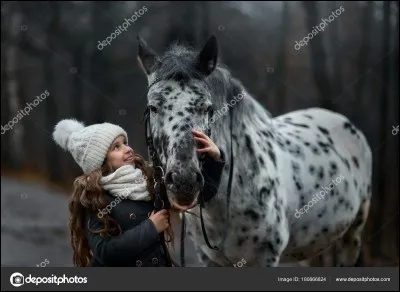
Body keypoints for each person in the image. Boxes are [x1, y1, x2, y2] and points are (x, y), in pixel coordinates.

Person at [52, 119, 226, 267]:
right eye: (116, 147)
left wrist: (214, 159)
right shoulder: (94, 197)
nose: (127, 149)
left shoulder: (148, 180)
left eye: (125, 143)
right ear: (100, 160)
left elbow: (199, 196)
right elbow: (104, 252)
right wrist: (151, 227)